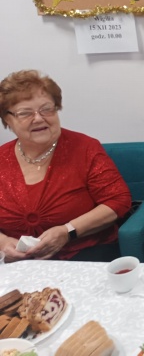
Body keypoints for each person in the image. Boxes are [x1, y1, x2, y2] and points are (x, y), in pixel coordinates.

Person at [0, 70, 131, 262]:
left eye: (46, 109)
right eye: (25, 113)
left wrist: (68, 231)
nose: (38, 118)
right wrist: (3, 242)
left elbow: (118, 201)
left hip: (84, 254)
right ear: (7, 120)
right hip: (16, 263)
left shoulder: (85, 148)